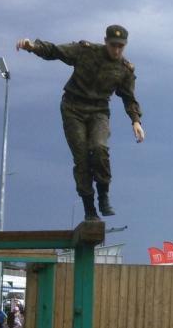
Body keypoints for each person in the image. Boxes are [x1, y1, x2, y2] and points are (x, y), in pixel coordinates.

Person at [16, 25, 145, 221]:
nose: (116, 50)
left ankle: (103, 195)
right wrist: (33, 47)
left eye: (121, 46)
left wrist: (135, 121)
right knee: (82, 158)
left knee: (99, 148)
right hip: (73, 108)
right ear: (105, 41)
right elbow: (56, 51)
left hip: (99, 111)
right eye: (113, 45)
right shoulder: (86, 51)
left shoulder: (124, 69)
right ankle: (89, 209)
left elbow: (129, 97)